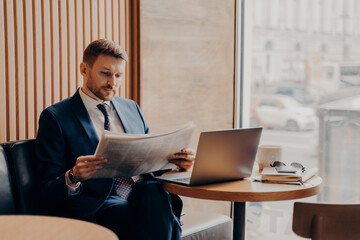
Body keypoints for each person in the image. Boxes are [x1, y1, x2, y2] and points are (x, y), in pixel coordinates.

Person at [35, 39, 195, 240]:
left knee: (152, 191)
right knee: (160, 210)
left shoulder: (131, 108)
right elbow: (46, 188)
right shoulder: (56, 117)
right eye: (105, 73)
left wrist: (176, 162)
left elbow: (150, 161)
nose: (113, 83)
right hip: (98, 204)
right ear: (84, 69)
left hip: (144, 195)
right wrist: (73, 176)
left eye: (119, 75)